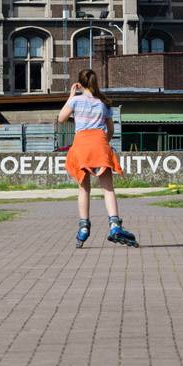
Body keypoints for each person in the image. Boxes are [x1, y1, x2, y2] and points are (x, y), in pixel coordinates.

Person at [58, 69, 137, 248]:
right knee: (108, 188)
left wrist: (71, 95)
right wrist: (103, 144)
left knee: (84, 188)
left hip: (81, 145)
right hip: (99, 143)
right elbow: (111, 130)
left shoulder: (76, 100)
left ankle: (84, 227)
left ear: (79, 83)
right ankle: (115, 225)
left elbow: (61, 118)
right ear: (94, 82)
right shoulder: (103, 102)